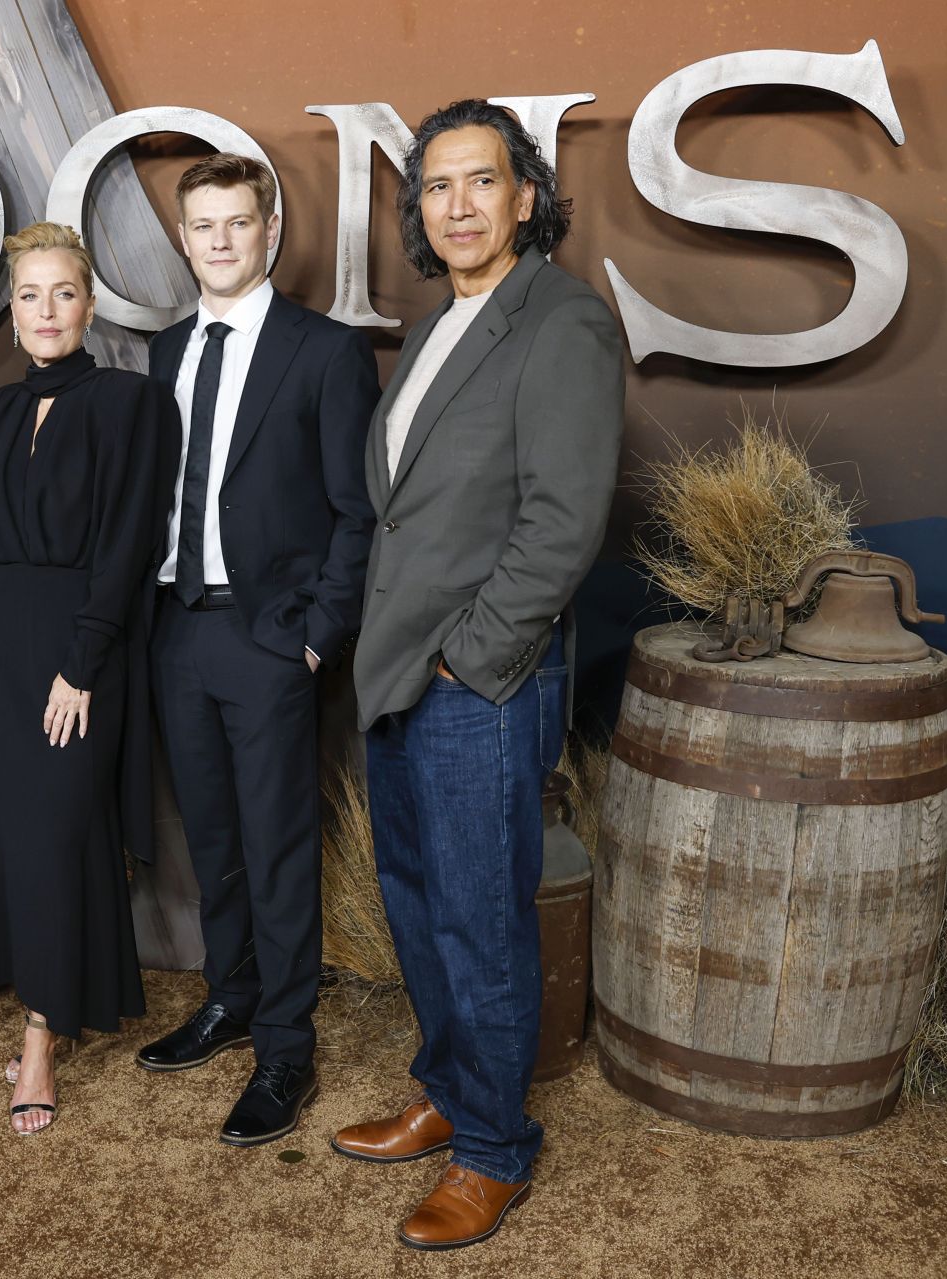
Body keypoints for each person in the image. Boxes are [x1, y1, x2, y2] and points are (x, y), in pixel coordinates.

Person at [334, 100, 623, 1250]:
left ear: (525, 195)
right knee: (415, 898)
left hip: (476, 681)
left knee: (481, 918)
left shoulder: (562, 322)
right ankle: (452, 1091)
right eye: (436, 186)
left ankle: (496, 1148)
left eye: (480, 181)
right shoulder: (438, 321)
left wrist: (475, 655)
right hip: (399, 667)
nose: (457, 205)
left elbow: (562, 522)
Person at [136, 154, 379, 1147]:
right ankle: (231, 997)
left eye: (240, 222)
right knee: (214, 841)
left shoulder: (323, 351)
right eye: (204, 225)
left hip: (271, 638)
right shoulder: (164, 352)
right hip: (179, 628)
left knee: (278, 848)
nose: (222, 240)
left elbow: (359, 512)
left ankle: (285, 1043)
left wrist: (318, 638)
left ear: (270, 231)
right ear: (185, 238)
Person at [0, 221, 178, 1135]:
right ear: (12, 313)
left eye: (64, 293)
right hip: (0, 640)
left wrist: (83, 662)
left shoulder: (131, 401)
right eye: (29, 296)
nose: (46, 312)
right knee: (19, 832)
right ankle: (46, 1002)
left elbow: (129, 542)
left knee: (57, 833)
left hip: (81, 643)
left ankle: (42, 1042)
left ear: (90, 306)